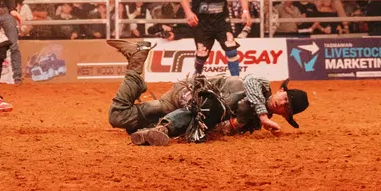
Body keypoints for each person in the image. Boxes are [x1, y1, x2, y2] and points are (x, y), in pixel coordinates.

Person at [105, 39, 308, 146]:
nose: (282, 104)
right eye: (285, 98)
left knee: (118, 117)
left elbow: (218, 130)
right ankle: (162, 129)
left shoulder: (253, 122)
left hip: (177, 108)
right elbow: (251, 82)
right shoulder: (262, 84)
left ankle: (136, 62)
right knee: (206, 108)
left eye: (286, 108)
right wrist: (262, 115)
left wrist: (238, 123)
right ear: (280, 90)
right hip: (188, 93)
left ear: (285, 115)